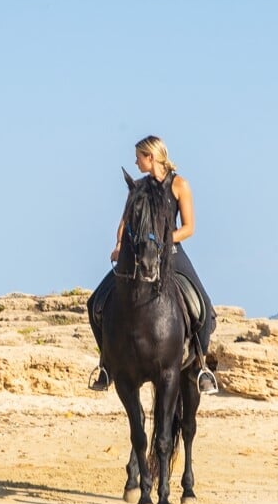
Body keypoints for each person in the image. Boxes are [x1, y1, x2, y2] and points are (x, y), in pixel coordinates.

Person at [89, 135, 219, 394]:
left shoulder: (180, 185)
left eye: (138, 157)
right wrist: (119, 245)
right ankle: (106, 365)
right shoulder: (138, 187)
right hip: (138, 254)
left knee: (203, 307)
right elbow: (124, 223)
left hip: (171, 252)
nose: (135, 162)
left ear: (151, 157)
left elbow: (189, 228)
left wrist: (162, 240)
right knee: (95, 303)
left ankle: (200, 366)